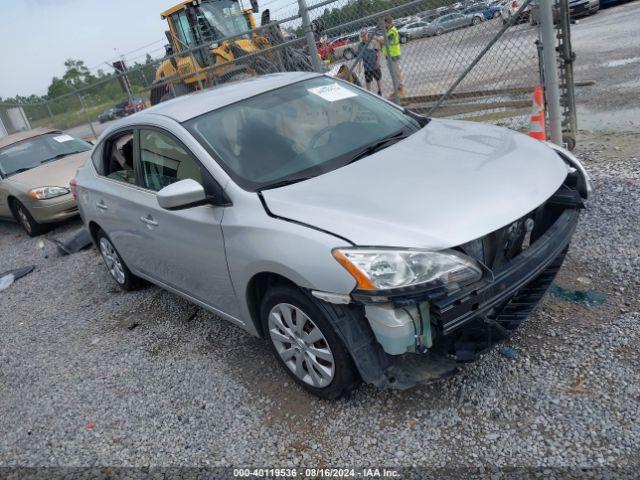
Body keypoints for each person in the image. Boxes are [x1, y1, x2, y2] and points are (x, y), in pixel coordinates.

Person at [378, 15, 404, 97]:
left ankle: (399, 90)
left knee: (396, 73)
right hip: (390, 56)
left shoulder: (392, 31)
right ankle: (397, 91)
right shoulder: (388, 31)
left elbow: (385, 40)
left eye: (384, 23)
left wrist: (376, 38)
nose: (383, 25)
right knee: (394, 74)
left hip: (394, 55)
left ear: (387, 22)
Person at [356, 30, 382, 96]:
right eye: (362, 36)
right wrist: (359, 67)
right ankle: (369, 94)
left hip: (374, 64)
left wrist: (378, 62)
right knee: (368, 81)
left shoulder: (372, 42)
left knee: (378, 78)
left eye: (365, 35)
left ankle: (379, 91)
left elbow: (378, 53)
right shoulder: (360, 45)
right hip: (367, 66)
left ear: (367, 34)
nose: (364, 37)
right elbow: (359, 57)